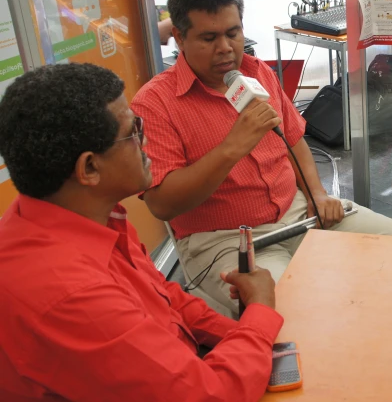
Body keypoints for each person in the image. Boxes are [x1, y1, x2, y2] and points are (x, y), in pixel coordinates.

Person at [132, 0, 392, 317]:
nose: (225, 48)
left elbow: (294, 140)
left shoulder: (257, 71)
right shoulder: (154, 103)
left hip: (296, 212)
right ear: (178, 37)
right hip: (225, 239)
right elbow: (162, 204)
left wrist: (316, 194)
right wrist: (231, 147)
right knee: (290, 312)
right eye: (209, 37)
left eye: (233, 33)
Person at [0, 63, 281, 401]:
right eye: (134, 132)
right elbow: (212, 395)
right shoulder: (69, 294)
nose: (146, 142)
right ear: (89, 168)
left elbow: (165, 298)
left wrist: (244, 332)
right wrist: (261, 309)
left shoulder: (87, 215)